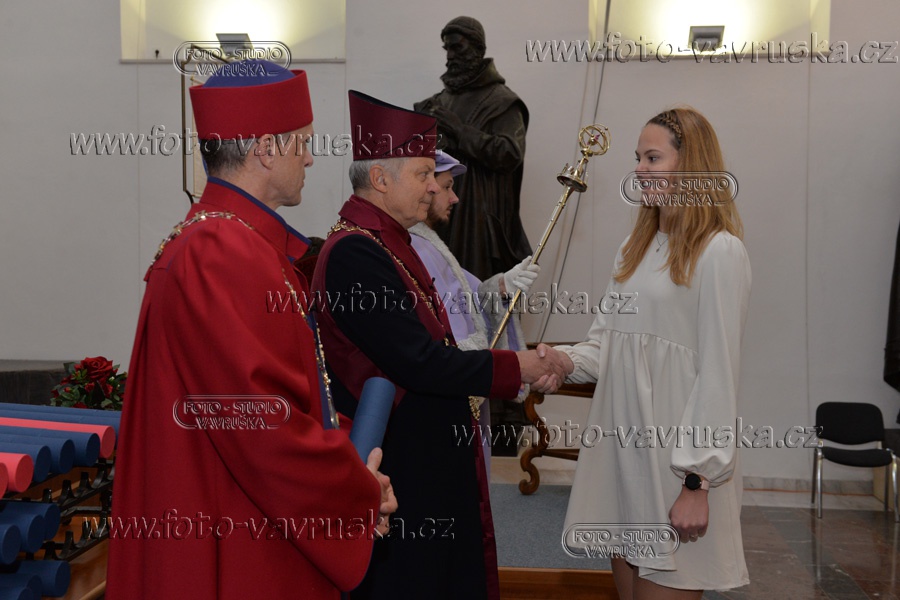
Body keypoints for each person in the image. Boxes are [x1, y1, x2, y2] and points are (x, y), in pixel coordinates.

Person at [107, 60, 396, 600]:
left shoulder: (229, 240)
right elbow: (263, 425)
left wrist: (347, 462)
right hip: (239, 528)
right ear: (265, 148)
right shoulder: (221, 249)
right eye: (302, 143)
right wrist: (352, 487)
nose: (310, 158)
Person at [311, 90, 566, 600]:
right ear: (380, 178)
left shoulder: (392, 241)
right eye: (424, 173)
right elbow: (419, 362)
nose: (434, 186)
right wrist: (515, 367)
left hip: (426, 458)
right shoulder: (355, 254)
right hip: (403, 467)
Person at [543, 107, 751, 599]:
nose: (638, 169)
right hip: (624, 461)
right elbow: (606, 344)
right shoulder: (633, 249)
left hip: (675, 469)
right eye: (638, 157)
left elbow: (718, 374)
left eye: (652, 158)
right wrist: (564, 362)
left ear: (691, 165)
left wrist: (697, 482)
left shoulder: (719, 252)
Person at [409, 150, 539, 463]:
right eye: (447, 186)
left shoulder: (428, 243)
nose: (454, 198)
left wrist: (502, 284)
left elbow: (469, 297)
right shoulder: (414, 245)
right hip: (447, 391)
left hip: (458, 384)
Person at [414, 16, 530, 282]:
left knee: (477, 290)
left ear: (478, 49)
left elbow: (509, 153)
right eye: (447, 49)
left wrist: (459, 129)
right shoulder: (435, 104)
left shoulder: (502, 101)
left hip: (477, 219)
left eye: (458, 47)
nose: (450, 56)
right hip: (435, 214)